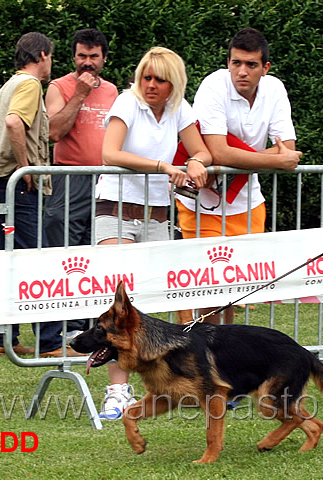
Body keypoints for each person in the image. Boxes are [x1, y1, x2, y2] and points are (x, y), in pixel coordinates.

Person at [94, 46, 211, 420]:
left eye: (160, 79)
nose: (152, 85)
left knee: (151, 305)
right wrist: (164, 165)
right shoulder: (127, 102)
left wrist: (194, 160)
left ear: (173, 83)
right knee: (119, 304)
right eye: (147, 76)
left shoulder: (179, 107)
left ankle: (156, 387)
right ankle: (115, 390)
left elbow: (202, 152)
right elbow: (110, 153)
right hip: (115, 210)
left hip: (158, 217)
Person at [176, 26, 302, 325]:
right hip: (202, 202)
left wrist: (256, 159)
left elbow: (290, 149)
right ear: (228, 62)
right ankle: (191, 354)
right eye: (236, 63)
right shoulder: (213, 85)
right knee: (203, 285)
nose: (241, 71)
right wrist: (274, 160)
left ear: (265, 67)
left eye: (251, 64)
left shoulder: (275, 89)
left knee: (231, 290)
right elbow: (218, 152)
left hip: (248, 202)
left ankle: (220, 358)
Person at [0, 32, 80, 357]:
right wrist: (25, 169)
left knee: (9, 261)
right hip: (18, 184)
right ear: (41, 55)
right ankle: (49, 342)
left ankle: (2, 340)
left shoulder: (8, 85)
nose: (51, 63)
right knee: (37, 262)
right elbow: (13, 123)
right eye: (50, 56)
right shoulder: (29, 85)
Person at [44, 28, 118, 338]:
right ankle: (62, 325)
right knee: (66, 252)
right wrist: (80, 94)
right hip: (70, 176)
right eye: (82, 56)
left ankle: (92, 326)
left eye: (93, 57)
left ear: (104, 59)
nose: (87, 62)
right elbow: (54, 132)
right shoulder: (59, 87)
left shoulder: (113, 91)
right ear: (73, 56)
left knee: (98, 253)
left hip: (106, 179)